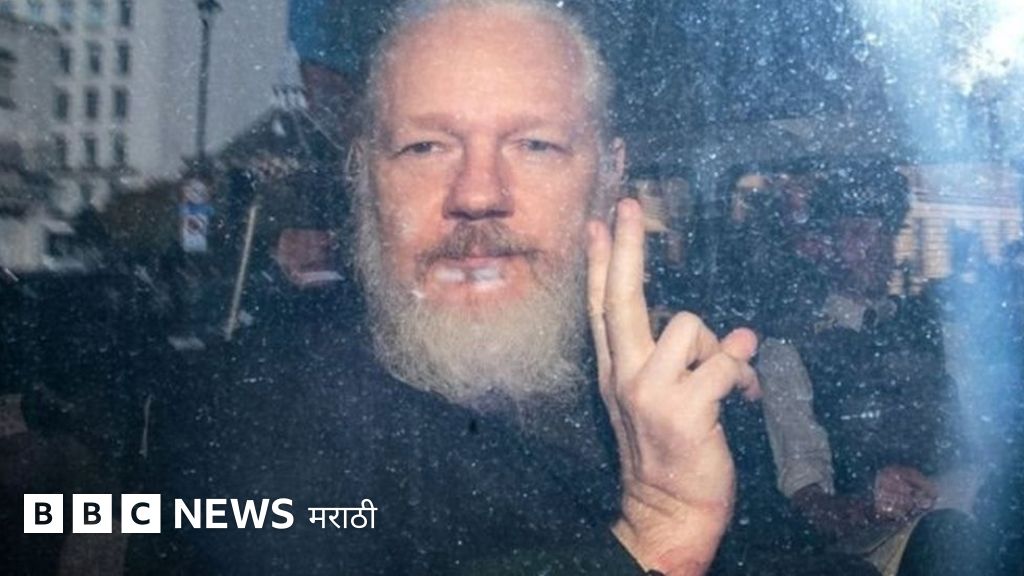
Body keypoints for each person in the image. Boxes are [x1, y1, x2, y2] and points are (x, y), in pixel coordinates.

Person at [132, 1, 759, 574]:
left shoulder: (679, 401)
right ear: (363, 175)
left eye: (535, 145)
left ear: (610, 171)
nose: (478, 193)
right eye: (425, 147)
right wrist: (660, 531)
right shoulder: (248, 424)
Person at [756, 166, 989, 576]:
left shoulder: (942, 332)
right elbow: (808, 499)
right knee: (944, 538)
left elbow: (989, 441)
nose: (878, 247)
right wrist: (870, 506)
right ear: (826, 245)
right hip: (879, 551)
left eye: (885, 233)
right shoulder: (788, 351)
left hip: (973, 512)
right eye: (859, 233)